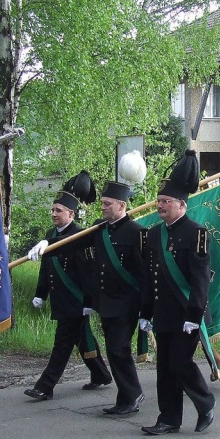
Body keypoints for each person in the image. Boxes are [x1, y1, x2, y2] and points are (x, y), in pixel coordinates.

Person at [139, 150, 215, 434]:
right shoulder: (154, 234)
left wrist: (194, 315)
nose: (160, 205)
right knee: (164, 368)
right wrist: (145, 312)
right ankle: (169, 418)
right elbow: (150, 277)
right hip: (163, 314)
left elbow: (200, 281)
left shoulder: (196, 233)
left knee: (180, 363)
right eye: (158, 201)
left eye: (165, 201)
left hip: (187, 313)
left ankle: (206, 403)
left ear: (181, 205)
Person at [24, 177, 112, 400]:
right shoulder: (50, 236)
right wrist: (40, 294)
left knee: (62, 344)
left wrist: (89, 302)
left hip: (76, 301)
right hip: (60, 300)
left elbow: (89, 273)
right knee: (82, 340)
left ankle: (45, 386)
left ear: (71, 215)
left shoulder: (80, 235)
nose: (54, 214)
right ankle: (101, 375)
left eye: (59, 210)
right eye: (52, 210)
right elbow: (47, 268)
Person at [82, 180, 146, 414]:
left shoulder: (137, 232)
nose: (103, 208)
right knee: (114, 349)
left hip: (126, 303)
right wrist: (48, 243)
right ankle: (126, 396)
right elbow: (76, 244)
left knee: (119, 349)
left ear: (121, 205)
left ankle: (132, 395)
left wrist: (145, 309)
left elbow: (143, 273)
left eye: (107, 204)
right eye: (102, 204)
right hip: (105, 301)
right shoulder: (100, 229)